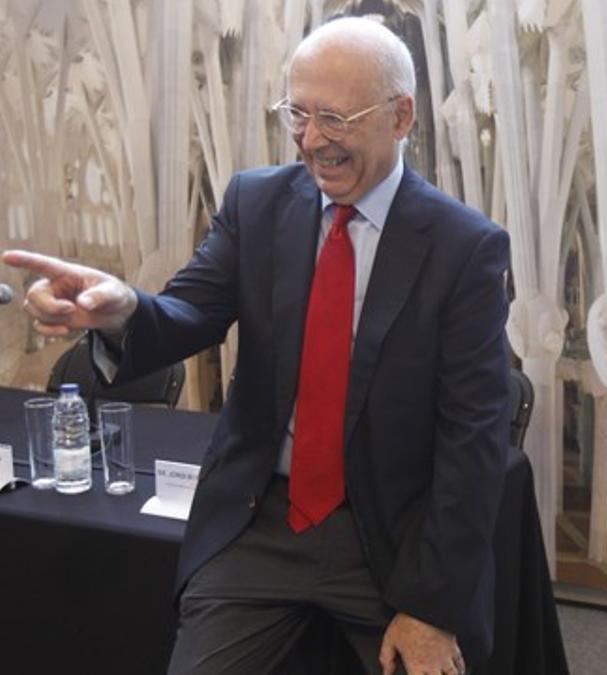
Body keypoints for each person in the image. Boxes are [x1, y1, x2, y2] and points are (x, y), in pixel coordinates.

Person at [4, 16, 510, 675]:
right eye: (297, 113)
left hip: (392, 535)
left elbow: (474, 438)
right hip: (260, 520)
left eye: (336, 117)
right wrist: (120, 306)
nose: (311, 139)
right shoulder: (258, 202)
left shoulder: (464, 247)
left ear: (401, 115)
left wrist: (431, 608)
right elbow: (190, 311)